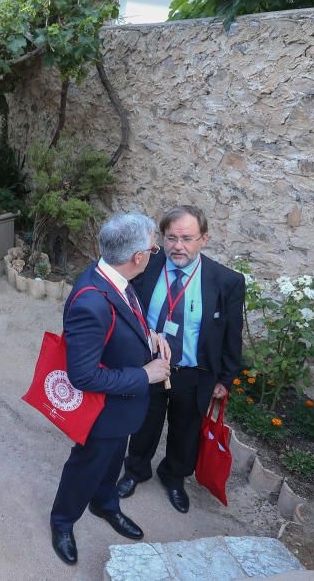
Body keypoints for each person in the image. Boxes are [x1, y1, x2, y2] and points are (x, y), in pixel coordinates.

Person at [49, 213, 172, 566]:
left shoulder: (114, 276)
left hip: (121, 410)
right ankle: (62, 521)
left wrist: (151, 337)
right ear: (137, 257)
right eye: (153, 247)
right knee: (86, 465)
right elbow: (82, 376)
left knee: (113, 459)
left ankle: (104, 504)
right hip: (102, 411)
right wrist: (145, 375)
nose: (154, 252)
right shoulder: (91, 301)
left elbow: (125, 324)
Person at [116, 205, 245, 514]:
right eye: (171, 237)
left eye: (187, 238)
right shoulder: (145, 264)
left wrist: (225, 378)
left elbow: (231, 334)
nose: (178, 246)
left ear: (204, 239)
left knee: (186, 430)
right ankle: (135, 471)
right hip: (149, 366)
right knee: (144, 423)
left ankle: (174, 477)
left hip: (192, 372)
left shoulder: (226, 281)